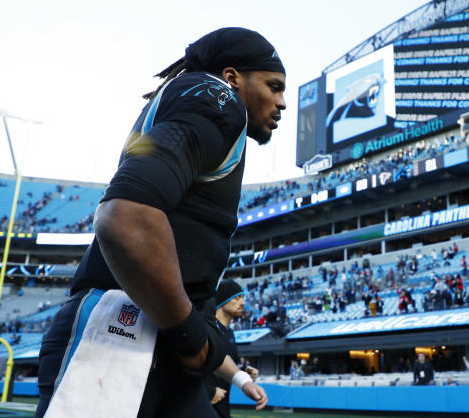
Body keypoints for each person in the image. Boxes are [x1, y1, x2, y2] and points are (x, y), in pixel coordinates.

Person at [34, 27, 286, 418]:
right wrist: (188, 337)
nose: (282, 102)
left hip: (153, 340)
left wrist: (220, 363)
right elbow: (126, 217)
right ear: (233, 78)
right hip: (124, 334)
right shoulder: (219, 99)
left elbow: (187, 303)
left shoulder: (194, 103)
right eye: (274, 86)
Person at [204, 279, 259, 418]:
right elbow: (191, 364)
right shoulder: (206, 328)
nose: (243, 303)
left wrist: (243, 374)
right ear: (223, 300)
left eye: (243, 298)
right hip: (204, 403)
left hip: (223, 404)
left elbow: (223, 366)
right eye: (237, 298)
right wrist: (208, 391)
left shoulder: (229, 333)